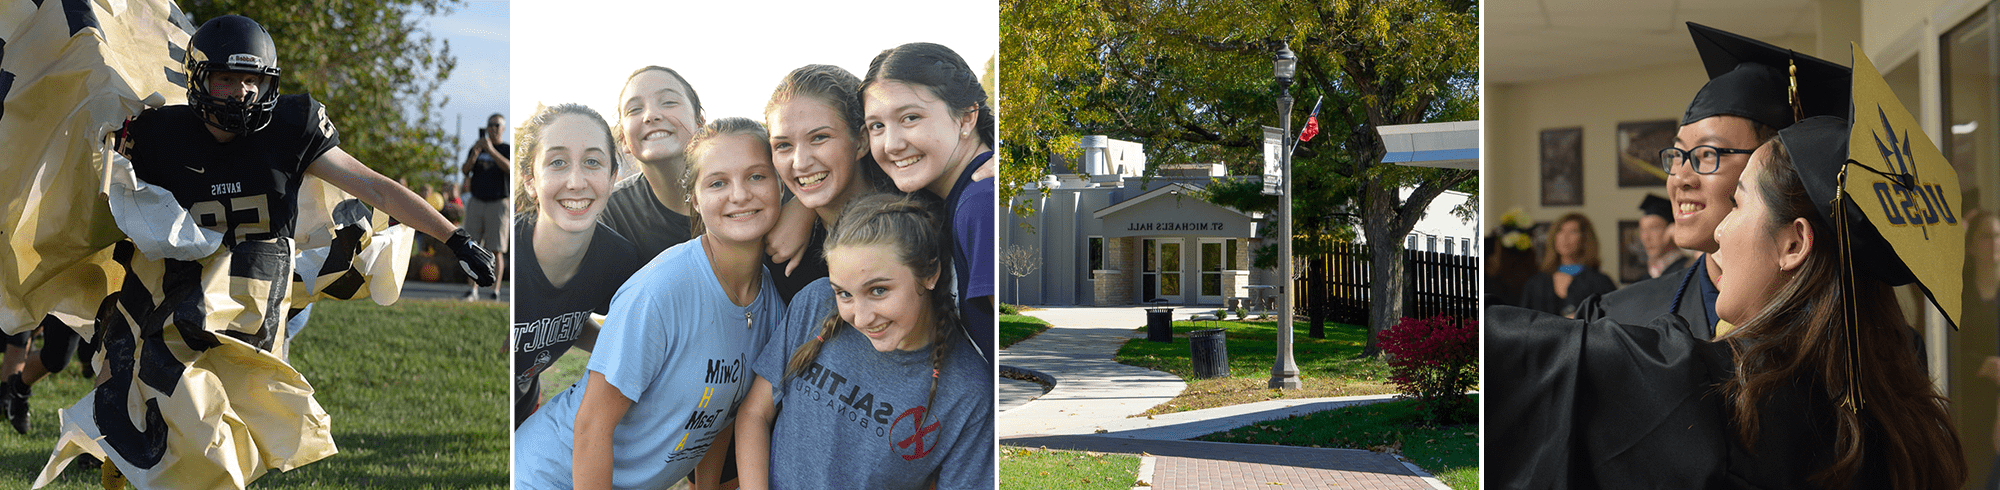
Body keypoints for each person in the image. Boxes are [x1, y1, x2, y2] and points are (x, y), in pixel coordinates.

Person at [30, 14, 496, 487]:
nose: (241, 92)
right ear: (198, 79)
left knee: (214, 435)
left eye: (251, 79)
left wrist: (453, 236)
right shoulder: (157, 135)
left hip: (249, 307)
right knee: (125, 407)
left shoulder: (291, 127)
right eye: (227, 79)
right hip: (168, 296)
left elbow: (374, 186)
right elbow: (79, 182)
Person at [1488, 116, 1965, 489]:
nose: (1717, 232)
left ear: (1794, 245)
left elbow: (1511, 353)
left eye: (1737, 204)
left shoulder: (1718, 396)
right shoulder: (1902, 417)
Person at [513, 117, 786, 490]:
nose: (739, 194)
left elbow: (716, 415)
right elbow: (592, 425)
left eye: (756, 176)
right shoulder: (664, 288)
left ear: (780, 182)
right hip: (549, 474)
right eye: (718, 182)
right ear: (695, 197)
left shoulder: (772, 304)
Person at [1576, 22, 1849, 339]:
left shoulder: (1851, 337)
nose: (1680, 178)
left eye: (1708, 155)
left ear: (1774, 169)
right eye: (1677, 155)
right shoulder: (1619, 319)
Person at [735, 192, 995, 489]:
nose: (860, 318)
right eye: (844, 293)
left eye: (878, 291)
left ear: (930, 273)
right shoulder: (815, 303)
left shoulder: (968, 390)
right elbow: (754, 413)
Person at [861, 42, 997, 367]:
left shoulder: (982, 203)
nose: (891, 144)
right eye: (876, 126)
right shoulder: (960, 198)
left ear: (966, 118)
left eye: (910, 117)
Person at [509, 103, 641, 428]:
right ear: (529, 180)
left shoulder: (618, 262)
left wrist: (618, 352)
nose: (576, 181)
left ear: (612, 178)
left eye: (592, 162)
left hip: (524, 408)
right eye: (557, 162)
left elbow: (564, 313)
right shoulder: (506, 255)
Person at [760, 64, 900, 292]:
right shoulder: (781, 252)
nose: (800, 162)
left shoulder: (920, 211)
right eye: (783, 145)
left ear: (862, 141)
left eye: (819, 137)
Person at [1516, 213, 1615, 317]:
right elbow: (1523, 323)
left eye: (1573, 231)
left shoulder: (1601, 283)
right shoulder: (1536, 283)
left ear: (1584, 238)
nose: (1565, 237)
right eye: (1560, 231)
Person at [462, 112, 512, 300]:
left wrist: (491, 150)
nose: (493, 128)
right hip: (477, 201)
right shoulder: (477, 148)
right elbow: (465, 170)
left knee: (496, 249)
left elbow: (509, 168)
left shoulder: (506, 149)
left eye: (496, 125)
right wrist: (475, 155)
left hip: (498, 203)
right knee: (471, 246)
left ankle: (494, 291)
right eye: (490, 125)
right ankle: (472, 290)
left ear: (503, 128)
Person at [1637, 194, 1690, 279]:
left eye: (1653, 228)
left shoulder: (1687, 268)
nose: (1645, 237)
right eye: (1642, 229)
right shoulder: (1650, 274)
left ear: (1671, 229)